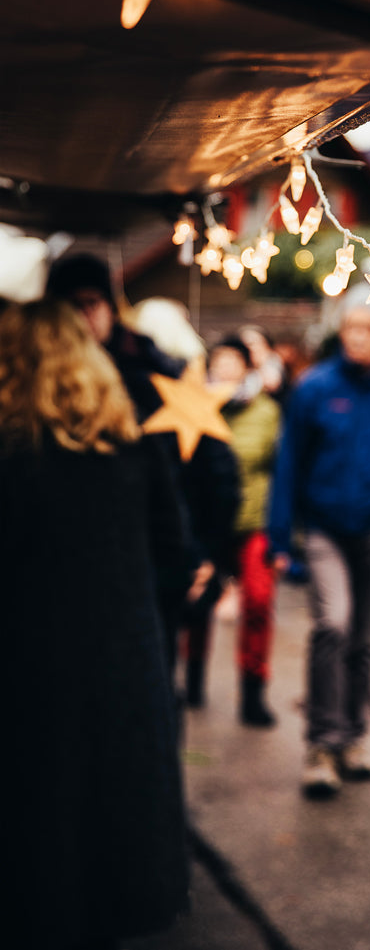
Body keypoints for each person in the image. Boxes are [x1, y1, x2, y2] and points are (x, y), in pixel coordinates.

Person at [0, 299, 189, 948]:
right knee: (114, 825)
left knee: (45, 834)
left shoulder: (13, 452)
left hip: (33, 664)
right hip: (126, 658)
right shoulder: (131, 446)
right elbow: (176, 551)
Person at [270, 294, 370, 797]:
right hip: (324, 528)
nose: (357, 336)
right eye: (349, 328)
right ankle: (321, 745)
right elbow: (289, 464)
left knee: (363, 640)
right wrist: (281, 536)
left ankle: (354, 739)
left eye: (366, 327)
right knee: (333, 625)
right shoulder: (314, 388)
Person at [47, 254, 237, 673]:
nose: (81, 318)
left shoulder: (157, 378)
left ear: (110, 308)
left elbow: (211, 470)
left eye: (91, 303)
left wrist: (204, 553)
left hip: (151, 562)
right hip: (66, 569)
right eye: (69, 307)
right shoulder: (34, 385)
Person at [198, 334, 284, 726]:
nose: (225, 368)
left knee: (258, 604)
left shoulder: (267, 412)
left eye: (234, 361)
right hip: (208, 523)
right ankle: (191, 682)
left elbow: (281, 470)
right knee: (198, 603)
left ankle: (253, 689)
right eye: (219, 361)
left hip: (254, 522)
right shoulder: (194, 410)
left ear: (248, 367)